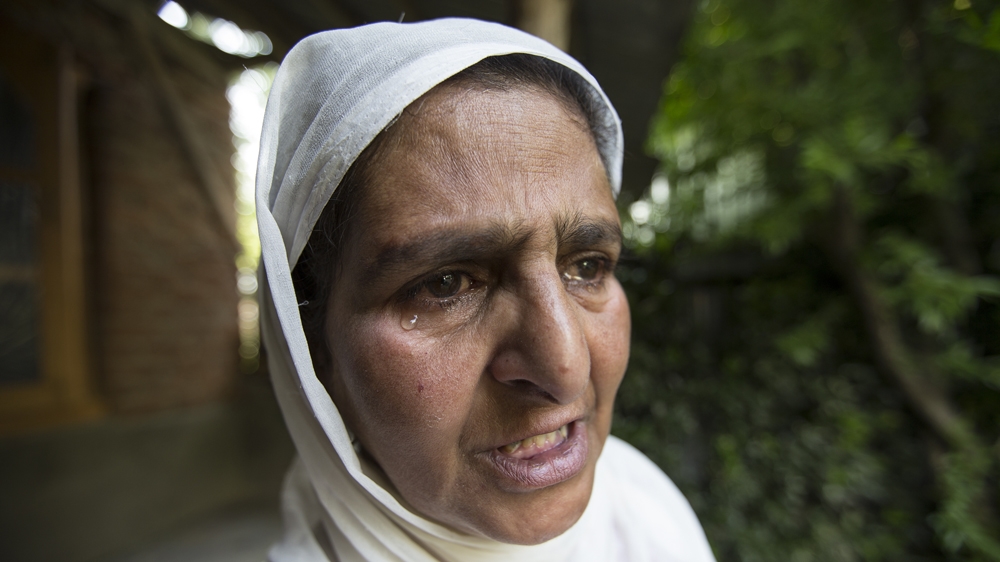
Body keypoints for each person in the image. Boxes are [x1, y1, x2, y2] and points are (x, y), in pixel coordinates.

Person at [256, 18, 716, 562]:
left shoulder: (648, 517)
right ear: (309, 346)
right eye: (446, 284)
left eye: (588, 266)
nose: (566, 367)